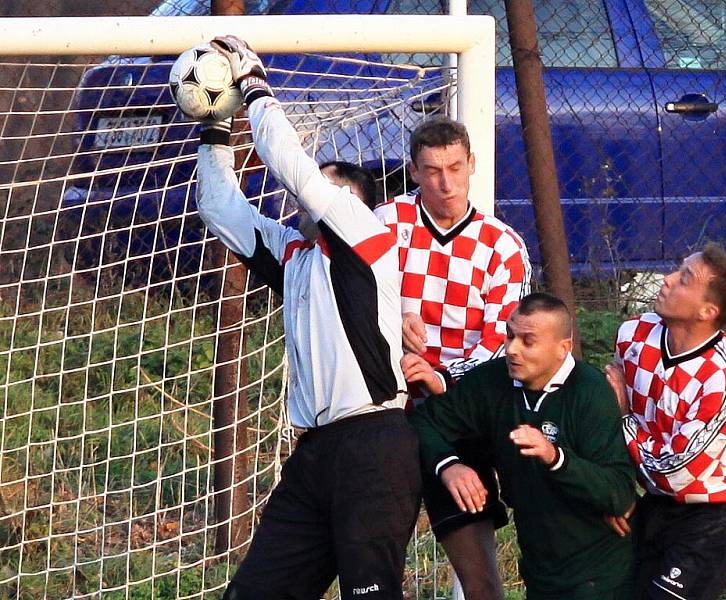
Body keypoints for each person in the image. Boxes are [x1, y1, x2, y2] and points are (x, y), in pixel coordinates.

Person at [195, 35, 421, 600]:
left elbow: (293, 168)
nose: (309, 195)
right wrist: (216, 133)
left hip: (375, 446)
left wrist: (253, 88)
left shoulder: (367, 237)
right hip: (314, 454)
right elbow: (218, 208)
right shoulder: (295, 254)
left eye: (328, 186)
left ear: (355, 203)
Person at [373, 115, 531, 598]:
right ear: (415, 172)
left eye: (455, 168)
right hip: (388, 402)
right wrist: (393, 310)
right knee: (373, 552)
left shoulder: (502, 247)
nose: (445, 183)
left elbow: (503, 345)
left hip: (460, 411)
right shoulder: (386, 222)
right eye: (432, 170)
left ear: (472, 166)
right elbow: (353, 295)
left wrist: (444, 378)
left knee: (476, 565)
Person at [409, 292, 636, 599]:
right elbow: (425, 420)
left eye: (528, 341)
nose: (512, 349)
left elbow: (618, 492)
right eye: (510, 335)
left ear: (562, 348)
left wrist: (555, 458)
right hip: (540, 573)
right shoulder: (493, 381)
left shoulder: (590, 392)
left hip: (600, 576)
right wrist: (448, 464)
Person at [605, 243, 726, 600]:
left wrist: (626, 418)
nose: (667, 278)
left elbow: (675, 473)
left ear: (708, 310)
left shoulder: (724, 375)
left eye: (684, 279)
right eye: (677, 269)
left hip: (717, 513)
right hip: (657, 502)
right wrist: (616, 491)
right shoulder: (634, 334)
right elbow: (604, 411)